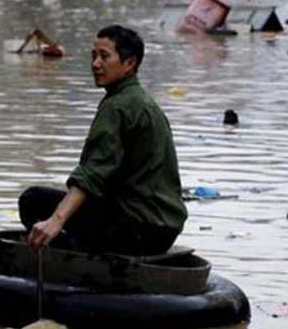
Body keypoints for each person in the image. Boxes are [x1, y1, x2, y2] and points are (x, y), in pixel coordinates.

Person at [19, 25, 188, 256]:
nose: (95, 64)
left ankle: (73, 269)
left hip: (138, 229)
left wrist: (56, 220)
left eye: (104, 56)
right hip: (164, 228)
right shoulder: (142, 101)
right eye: (94, 56)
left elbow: (93, 173)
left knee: (33, 200)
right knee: (65, 201)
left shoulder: (118, 106)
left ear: (129, 64)